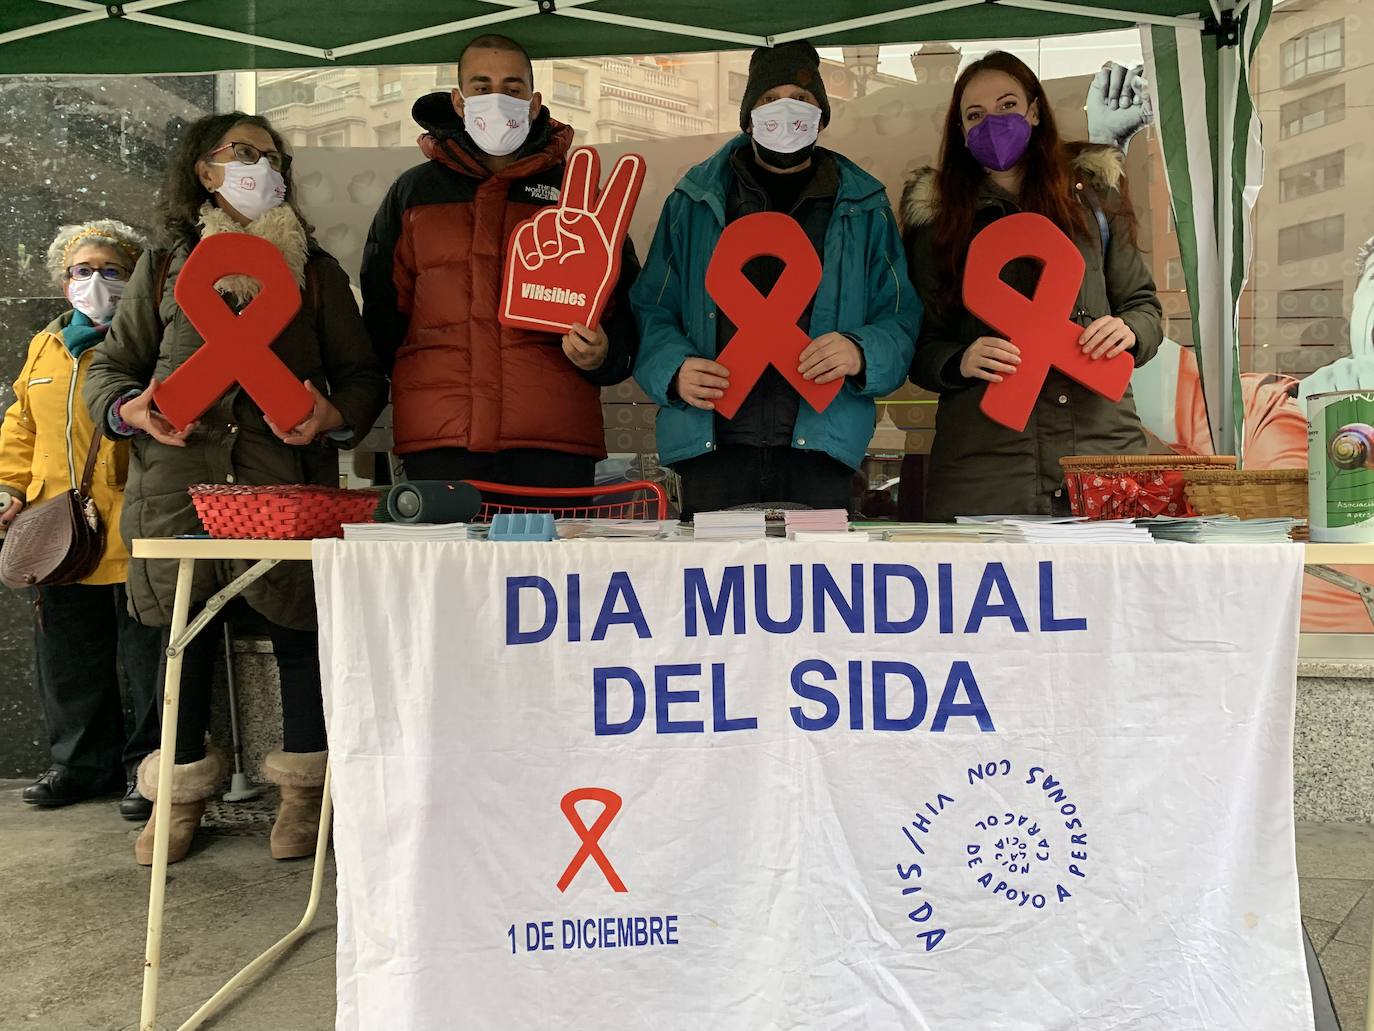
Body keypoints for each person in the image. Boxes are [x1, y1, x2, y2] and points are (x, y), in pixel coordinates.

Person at [83, 113, 387, 866]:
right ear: (204, 171)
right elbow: (107, 372)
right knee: (181, 641)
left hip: (283, 487)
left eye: (272, 155)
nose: (261, 165)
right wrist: (133, 410)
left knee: (297, 635)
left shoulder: (313, 273)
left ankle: (304, 794)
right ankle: (178, 796)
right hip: (180, 488)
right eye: (242, 153)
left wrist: (334, 415)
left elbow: (362, 376)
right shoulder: (164, 266)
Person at [632, 41, 919, 515]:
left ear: (822, 115)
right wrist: (675, 369)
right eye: (769, 99)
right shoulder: (695, 201)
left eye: (802, 99)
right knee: (711, 586)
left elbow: (900, 315)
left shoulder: (865, 206)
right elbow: (650, 309)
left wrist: (860, 351)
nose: (786, 110)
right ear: (748, 116)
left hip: (822, 447)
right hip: (714, 445)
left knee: (818, 585)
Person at [361, 33, 639, 491]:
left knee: (552, 566)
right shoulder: (413, 194)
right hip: (440, 439)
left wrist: (604, 354)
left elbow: (625, 306)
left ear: (533, 103)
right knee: (447, 565)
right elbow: (382, 313)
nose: (496, 99)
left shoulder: (579, 194)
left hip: (553, 439)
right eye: (481, 86)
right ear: (458, 100)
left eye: (512, 89)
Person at [903, 50, 1163, 520]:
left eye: (1007, 105)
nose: (992, 123)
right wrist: (958, 359)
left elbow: (1143, 305)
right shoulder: (937, 217)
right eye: (974, 115)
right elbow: (917, 341)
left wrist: (1130, 330)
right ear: (960, 132)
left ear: (1035, 110)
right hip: (986, 461)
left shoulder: (1093, 196)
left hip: (1099, 448)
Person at [0, 220, 160, 820]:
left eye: (111, 270)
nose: (94, 282)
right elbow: (22, 422)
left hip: (129, 515)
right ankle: (80, 765)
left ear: (136, 276)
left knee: (147, 652)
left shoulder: (147, 338)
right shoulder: (46, 343)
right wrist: (8, 486)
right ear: (62, 280)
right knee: (67, 653)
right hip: (55, 524)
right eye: (81, 270)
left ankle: (147, 769)